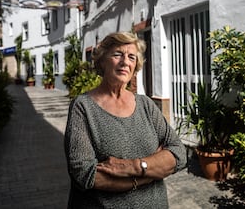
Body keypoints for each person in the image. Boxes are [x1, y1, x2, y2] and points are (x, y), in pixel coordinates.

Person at [64, 31, 187, 208]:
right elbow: (84, 175)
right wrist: (152, 170)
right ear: (102, 60)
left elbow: (179, 153)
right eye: (117, 54)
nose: (125, 62)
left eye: (131, 57)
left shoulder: (145, 104)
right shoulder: (83, 107)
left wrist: (132, 166)